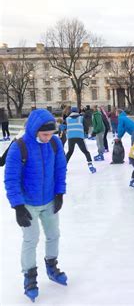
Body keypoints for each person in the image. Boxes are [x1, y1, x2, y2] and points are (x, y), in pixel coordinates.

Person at [4, 109, 68, 302]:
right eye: (44, 134)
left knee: (53, 235)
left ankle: (51, 266)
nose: (48, 138)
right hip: (28, 204)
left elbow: (60, 169)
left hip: (49, 200)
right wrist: (18, 206)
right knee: (31, 240)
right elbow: (11, 178)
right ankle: (30, 277)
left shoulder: (55, 144)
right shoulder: (19, 147)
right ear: (34, 130)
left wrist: (59, 193)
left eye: (51, 134)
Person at [65, 107, 96, 173]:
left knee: (70, 152)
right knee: (85, 151)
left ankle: (63, 166)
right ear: (77, 111)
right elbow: (86, 126)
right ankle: (90, 165)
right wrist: (86, 132)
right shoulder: (81, 118)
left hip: (70, 137)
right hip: (79, 136)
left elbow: (65, 127)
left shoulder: (67, 119)